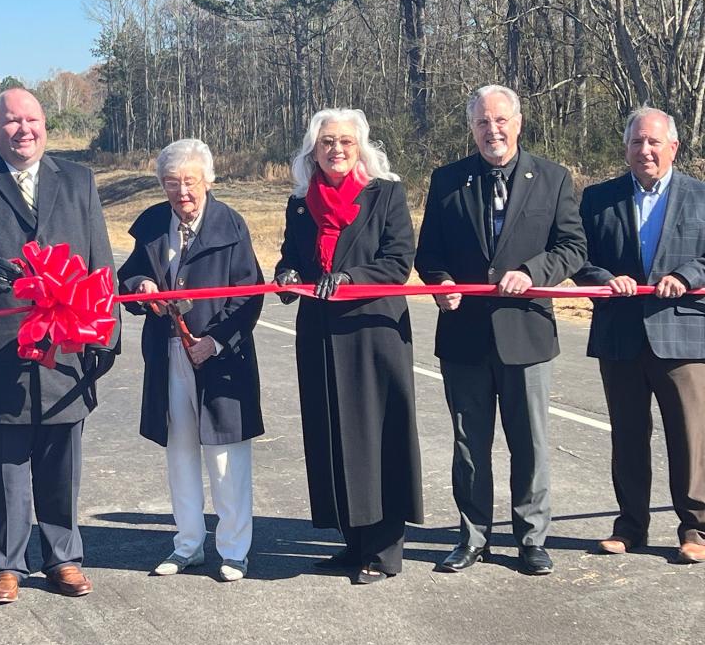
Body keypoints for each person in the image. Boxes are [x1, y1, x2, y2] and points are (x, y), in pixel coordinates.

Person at [0, 88, 120, 603]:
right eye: (11, 121)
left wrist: (109, 332)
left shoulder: (77, 179)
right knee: (7, 463)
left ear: (45, 125)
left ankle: (64, 557)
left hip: (68, 342)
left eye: (32, 120)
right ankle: (5, 565)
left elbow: (100, 258)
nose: (23, 130)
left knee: (62, 459)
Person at [415, 84, 586, 575]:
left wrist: (534, 272)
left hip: (526, 333)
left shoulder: (552, 178)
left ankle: (531, 538)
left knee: (529, 443)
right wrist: (440, 281)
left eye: (500, 121)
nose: (493, 130)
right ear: (472, 128)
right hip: (464, 335)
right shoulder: (447, 180)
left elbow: (573, 247)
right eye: (483, 123)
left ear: (518, 122)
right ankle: (473, 537)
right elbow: (430, 254)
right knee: (469, 445)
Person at [274, 108, 423, 584]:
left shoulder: (387, 194)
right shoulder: (300, 204)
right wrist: (287, 275)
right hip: (319, 335)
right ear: (312, 151)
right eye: (326, 143)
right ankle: (351, 541)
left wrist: (351, 278)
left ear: (360, 147)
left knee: (376, 439)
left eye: (345, 142)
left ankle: (383, 551)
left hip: (372, 335)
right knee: (334, 437)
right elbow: (290, 257)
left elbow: (398, 262)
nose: (336, 150)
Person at [117, 139, 263, 581]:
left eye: (190, 182)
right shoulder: (152, 225)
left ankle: (234, 550)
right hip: (168, 355)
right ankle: (187, 545)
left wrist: (214, 342)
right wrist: (142, 287)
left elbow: (250, 295)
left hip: (220, 359)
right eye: (172, 183)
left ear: (208, 182)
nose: (182, 192)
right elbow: (129, 276)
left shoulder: (231, 225)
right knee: (179, 451)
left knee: (225, 457)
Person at [574, 107, 705, 564]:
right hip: (620, 334)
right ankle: (631, 526)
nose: (644, 150)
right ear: (626, 148)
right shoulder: (597, 199)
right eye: (636, 142)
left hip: (682, 333)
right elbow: (577, 257)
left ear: (674, 146)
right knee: (628, 435)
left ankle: (695, 530)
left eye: (653, 142)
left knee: (689, 437)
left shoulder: (700, 196)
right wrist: (605, 278)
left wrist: (686, 276)